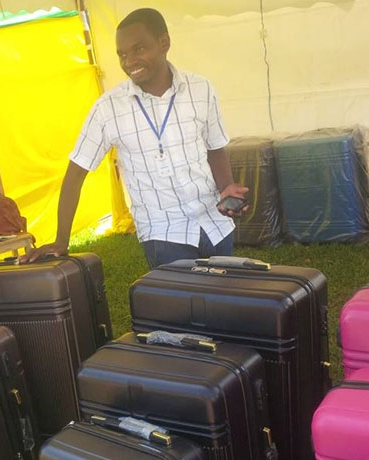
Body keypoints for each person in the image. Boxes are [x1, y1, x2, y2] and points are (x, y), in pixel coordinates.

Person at [25, 8, 249, 268]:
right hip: (163, 234)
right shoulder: (108, 108)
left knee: (227, 303)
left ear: (164, 43)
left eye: (138, 49)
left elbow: (214, 148)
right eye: (122, 54)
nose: (129, 61)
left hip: (215, 224)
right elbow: (76, 172)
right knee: (181, 307)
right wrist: (61, 239)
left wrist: (227, 188)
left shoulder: (201, 89)